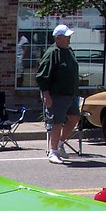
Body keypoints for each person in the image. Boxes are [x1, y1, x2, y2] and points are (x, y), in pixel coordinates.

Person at [36, 24, 81, 164]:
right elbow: (42, 76)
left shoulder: (69, 51)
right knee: (57, 122)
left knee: (74, 117)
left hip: (70, 94)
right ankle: (53, 151)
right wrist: (46, 94)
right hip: (56, 95)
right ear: (58, 38)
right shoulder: (52, 53)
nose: (69, 39)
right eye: (66, 36)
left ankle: (60, 144)